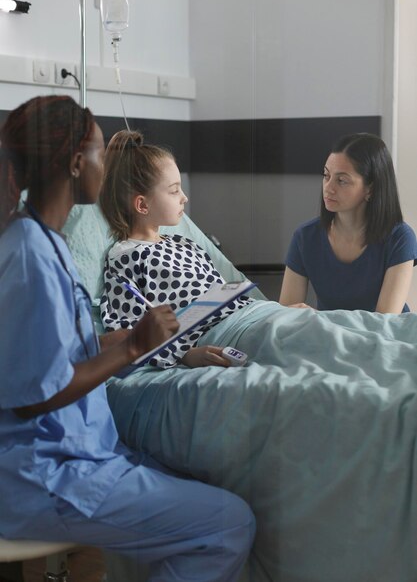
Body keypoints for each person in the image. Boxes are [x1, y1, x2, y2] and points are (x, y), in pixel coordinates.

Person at [0, 95, 256, 582]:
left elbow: (55, 347)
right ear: (77, 163)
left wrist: (130, 339)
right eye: (100, 154)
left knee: (205, 480)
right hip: (48, 475)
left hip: (79, 454)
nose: (106, 166)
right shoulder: (30, 256)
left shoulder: (44, 242)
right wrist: (136, 347)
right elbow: (37, 394)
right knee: (227, 525)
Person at [99, 129, 253, 368]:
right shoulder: (126, 257)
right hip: (223, 336)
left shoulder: (185, 243)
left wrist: (272, 309)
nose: (184, 198)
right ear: (142, 204)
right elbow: (127, 330)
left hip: (251, 318)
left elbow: (227, 294)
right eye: (174, 190)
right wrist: (185, 354)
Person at [279, 133, 417, 313]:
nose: (328, 188)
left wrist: (316, 319)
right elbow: (285, 315)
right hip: (329, 337)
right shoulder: (305, 237)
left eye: (342, 180)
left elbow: (385, 322)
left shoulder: (400, 238)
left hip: (386, 339)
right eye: (326, 176)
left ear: (371, 188)